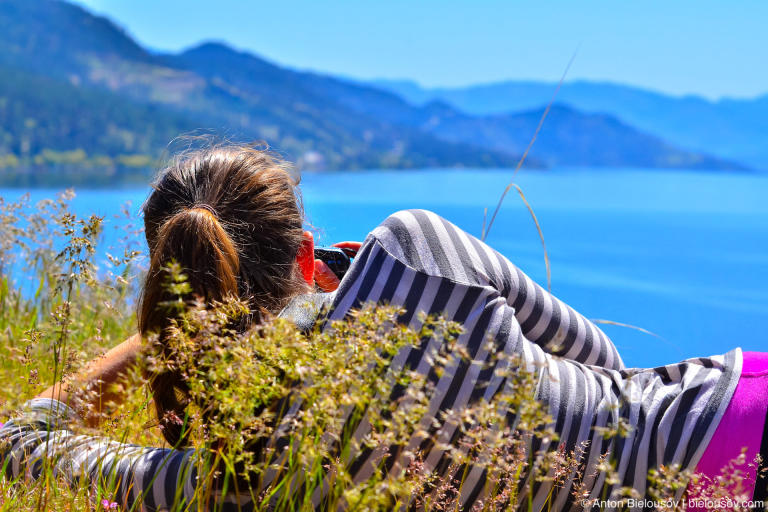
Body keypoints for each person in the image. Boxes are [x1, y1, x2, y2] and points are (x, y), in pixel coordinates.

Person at [0, 147, 764, 511]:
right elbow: (604, 360)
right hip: (731, 424)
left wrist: (171, 335)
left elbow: (18, 444)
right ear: (305, 253)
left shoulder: (231, 481)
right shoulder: (414, 247)